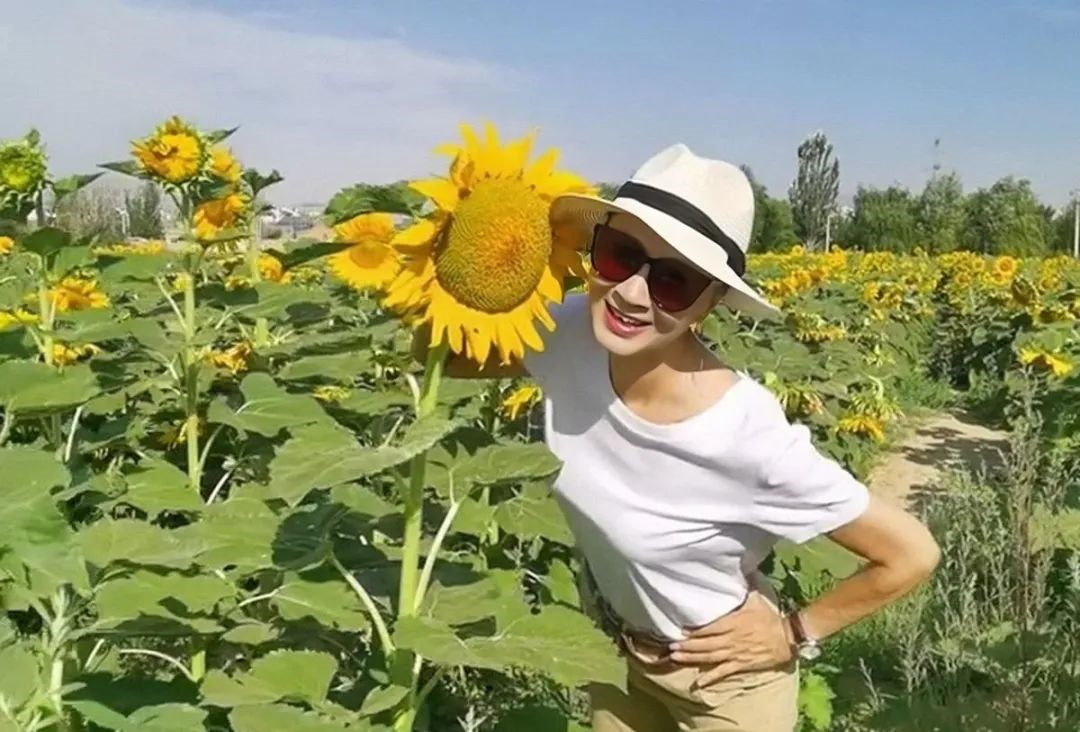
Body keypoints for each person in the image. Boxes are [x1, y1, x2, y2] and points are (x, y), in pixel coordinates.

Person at [443, 144, 940, 731]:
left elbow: (911, 553)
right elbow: (446, 352)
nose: (632, 293)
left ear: (709, 303)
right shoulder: (567, 331)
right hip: (617, 656)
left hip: (722, 685)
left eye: (673, 282)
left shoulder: (742, 432)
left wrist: (794, 632)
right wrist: (451, 242)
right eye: (621, 255)